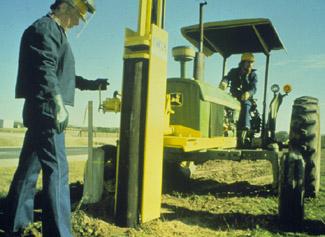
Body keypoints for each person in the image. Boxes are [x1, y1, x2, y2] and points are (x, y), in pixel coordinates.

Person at [4, 0, 109, 236]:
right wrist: (58, 104)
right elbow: (45, 69)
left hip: (40, 108)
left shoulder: (51, 31)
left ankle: (15, 223)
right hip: (48, 108)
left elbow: (64, 74)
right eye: (75, 15)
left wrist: (93, 85)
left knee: (29, 167)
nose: (75, 22)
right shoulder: (46, 28)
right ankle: (60, 233)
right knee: (58, 170)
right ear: (61, 7)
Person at [219, 53, 258, 131]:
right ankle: (221, 123)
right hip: (233, 96)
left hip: (245, 98)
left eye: (252, 62)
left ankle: (245, 126)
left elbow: (253, 88)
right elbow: (227, 77)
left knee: (246, 104)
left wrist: (248, 93)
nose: (250, 64)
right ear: (243, 63)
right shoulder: (234, 72)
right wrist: (224, 82)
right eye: (248, 62)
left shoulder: (253, 75)